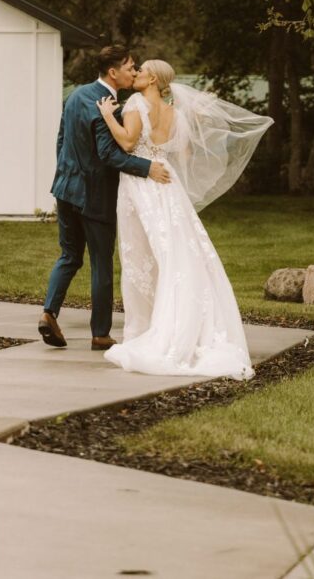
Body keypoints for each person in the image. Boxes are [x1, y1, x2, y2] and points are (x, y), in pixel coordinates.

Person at [95, 59, 272, 379]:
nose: (136, 74)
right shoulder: (175, 113)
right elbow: (184, 154)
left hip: (141, 183)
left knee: (138, 256)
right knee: (179, 251)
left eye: (141, 70)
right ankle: (183, 322)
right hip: (169, 182)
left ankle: (144, 330)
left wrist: (108, 115)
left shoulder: (135, 102)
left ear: (152, 79)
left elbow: (128, 142)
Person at [39, 45, 171, 351]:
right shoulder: (106, 102)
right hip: (95, 195)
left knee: (69, 256)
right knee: (100, 263)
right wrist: (147, 167)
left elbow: (61, 140)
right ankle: (100, 333)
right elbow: (109, 154)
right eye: (130, 67)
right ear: (113, 72)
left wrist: (64, 176)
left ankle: (49, 313)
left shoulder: (75, 95)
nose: (134, 72)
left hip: (64, 189)